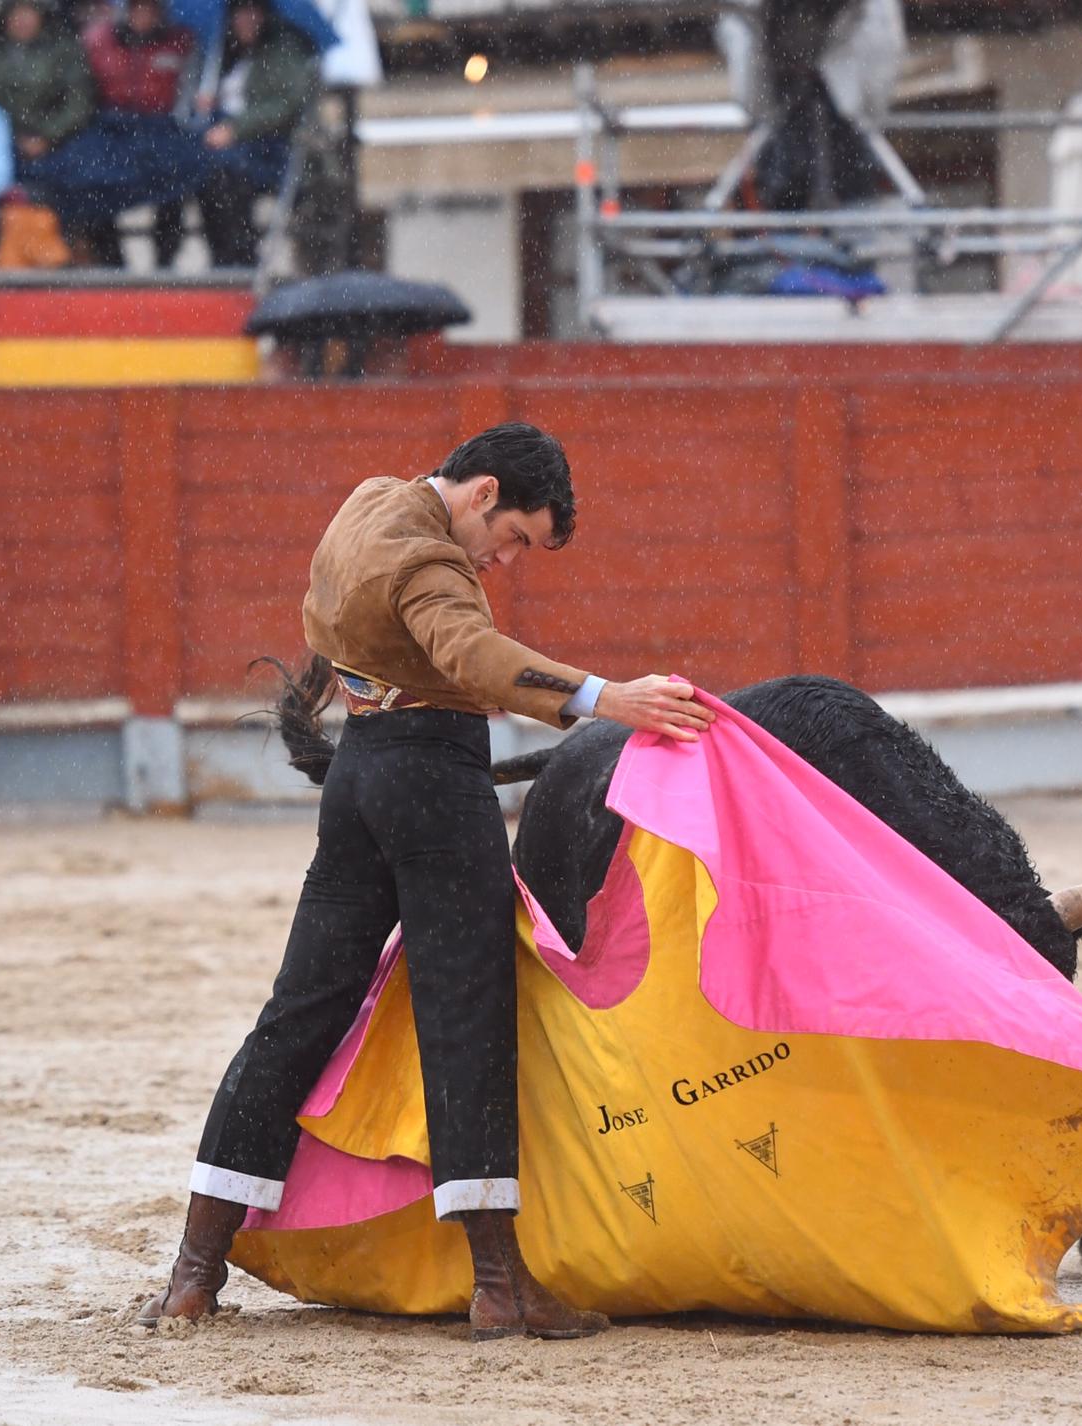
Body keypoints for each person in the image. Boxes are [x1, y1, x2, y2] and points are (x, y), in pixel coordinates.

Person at [141, 423, 715, 1340]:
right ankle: (499, 1288)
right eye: (516, 536)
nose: (508, 559)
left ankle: (193, 1271)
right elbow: (472, 657)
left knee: (298, 1012)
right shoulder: (435, 569)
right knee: (467, 1015)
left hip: (359, 774)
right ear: (483, 492)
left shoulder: (370, 502)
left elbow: (347, 625)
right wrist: (611, 698)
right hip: (435, 791)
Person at [185, 0, 319, 269]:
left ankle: (239, 260)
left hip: (268, 144)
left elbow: (286, 105)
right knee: (194, 169)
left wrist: (237, 129)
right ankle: (221, 258)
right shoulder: (220, 50)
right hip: (221, 138)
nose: (248, 19)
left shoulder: (285, 49)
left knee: (225, 176)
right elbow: (199, 93)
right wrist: (203, 101)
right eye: (241, 12)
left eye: (254, 11)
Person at [78, 0, 196, 267]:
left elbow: (189, 91)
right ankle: (113, 263)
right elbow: (84, 92)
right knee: (93, 183)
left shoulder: (181, 43)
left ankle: (164, 263)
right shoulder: (97, 41)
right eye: (137, 8)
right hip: (112, 127)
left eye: (150, 8)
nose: (143, 15)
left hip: (162, 127)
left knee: (175, 179)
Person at [0, 0, 92, 175]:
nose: (23, 20)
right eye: (17, 13)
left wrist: (48, 136)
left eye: (29, 13)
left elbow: (79, 101)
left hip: (56, 143)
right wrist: (3, 136)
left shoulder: (64, 48)